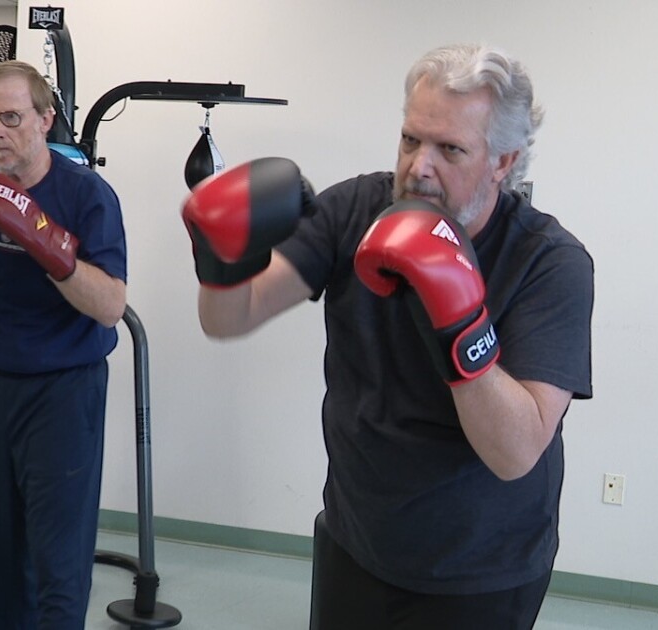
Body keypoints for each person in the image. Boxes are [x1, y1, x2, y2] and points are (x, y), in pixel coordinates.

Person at [182, 44, 593, 629]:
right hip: (357, 540)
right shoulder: (356, 208)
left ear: (503, 161)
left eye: (449, 149)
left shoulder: (551, 263)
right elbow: (228, 319)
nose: (419, 166)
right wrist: (219, 256)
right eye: (410, 140)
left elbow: (515, 453)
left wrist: (455, 309)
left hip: (481, 570)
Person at [0, 60, 127, 629]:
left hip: (66, 391)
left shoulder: (87, 195)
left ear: (45, 119)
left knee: (58, 556)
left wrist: (42, 239)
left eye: (11, 117)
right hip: (0, 383)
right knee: (2, 554)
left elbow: (111, 306)